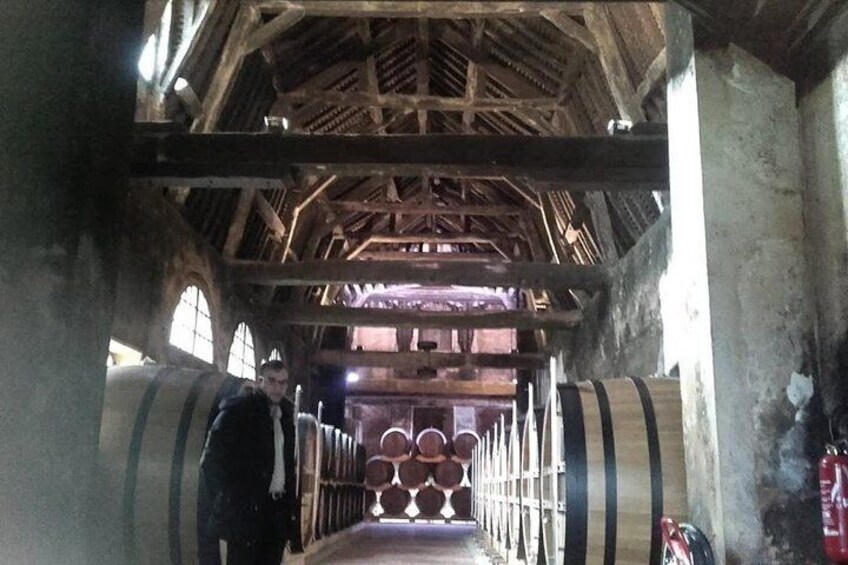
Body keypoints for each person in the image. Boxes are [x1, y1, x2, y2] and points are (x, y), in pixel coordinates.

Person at [201, 360, 296, 565]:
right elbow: (211, 462)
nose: (278, 388)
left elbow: (288, 469)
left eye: (283, 383)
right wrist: (230, 500)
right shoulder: (239, 412)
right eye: (272, 381)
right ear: (260, 381)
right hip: (247, 514)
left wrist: (290, 518)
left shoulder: (286, 417)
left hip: (276, 513)